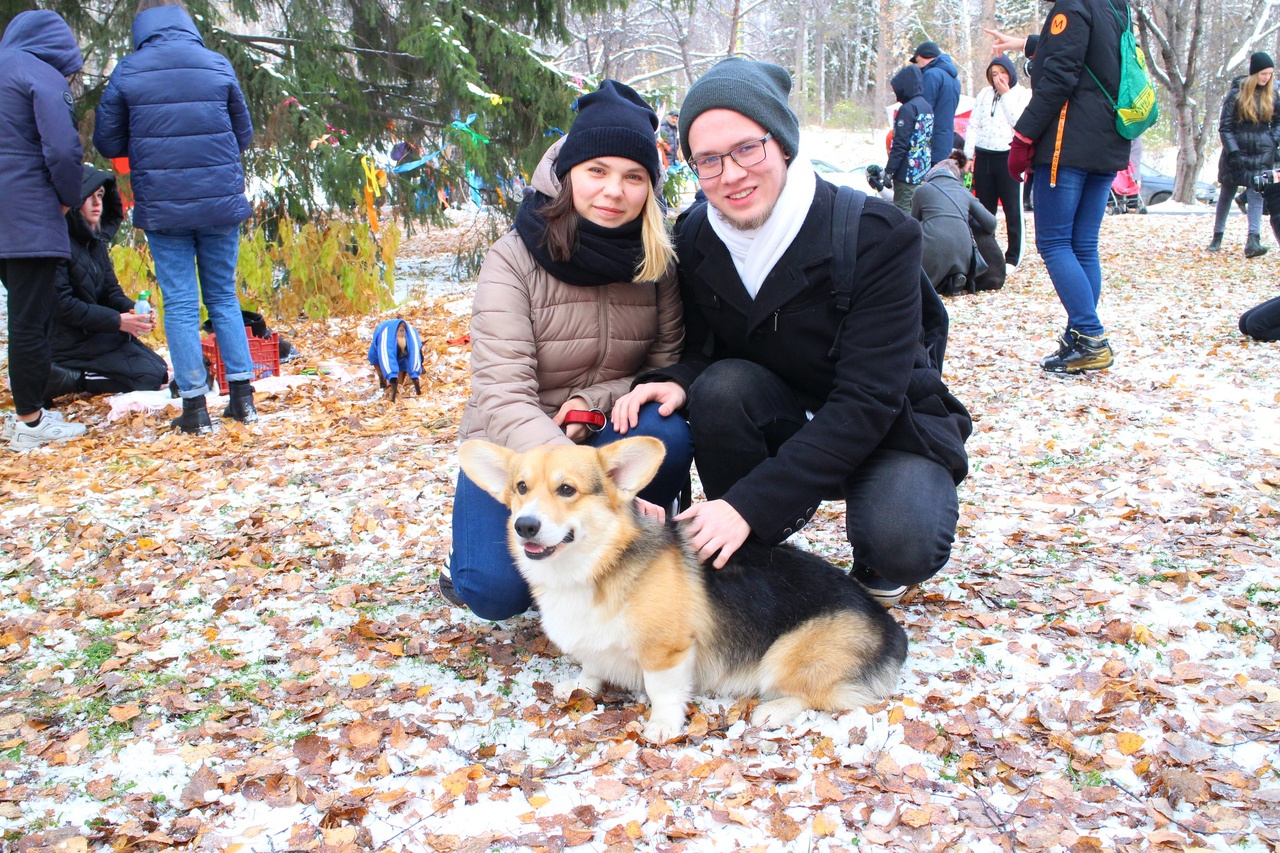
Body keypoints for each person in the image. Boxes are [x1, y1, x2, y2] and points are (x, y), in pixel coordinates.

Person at [618, 57, 972, 606]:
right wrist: (681, 378)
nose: (731, 174)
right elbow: (711, 350)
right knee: (720, 388)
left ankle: (848, 541)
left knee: (903, 540)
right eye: (707, 160)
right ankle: (757, 551)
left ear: (781, 143)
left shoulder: (876, 233)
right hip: (778, 412)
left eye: (746, 148)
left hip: (885, 427)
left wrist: (747, 504)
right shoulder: (694, 238)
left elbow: (868, 399)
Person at [448, 80, 693, 621]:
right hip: (517, 439)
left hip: (605, 433)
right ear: (568, 175)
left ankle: (640, 546)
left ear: (650, 189)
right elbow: (501, 391)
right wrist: (565, 452)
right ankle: (475, 552)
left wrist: (592, 402)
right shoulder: (513, 258)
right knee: (494, 594)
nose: (614, 191)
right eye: (597, 171)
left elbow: (664, 369)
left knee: (667, 428)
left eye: (633, 177)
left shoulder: (657, 262)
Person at [93, 0, 258, 434]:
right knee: (222, 296)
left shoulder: (129, 70)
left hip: (165, 205)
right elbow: (243, 134)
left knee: (182, 304)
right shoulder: (216, 63)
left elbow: (108, 142)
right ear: (186, 21)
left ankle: (195, 408)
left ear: (141, 25)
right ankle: (243, 397)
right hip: (220, 201)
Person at [988, 0, 1129, 375]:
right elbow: (1082, 52)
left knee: (1053, 242)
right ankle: (1079, 339)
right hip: (1108, 142)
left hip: (1069, 145)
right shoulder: (1114, 7)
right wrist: (1022, 42)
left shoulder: (1073, 5)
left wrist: (1022, 137)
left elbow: (1060, 77)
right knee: (1083, 245)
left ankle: (1091, 336)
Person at [0, 10, 89, 451]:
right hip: (28, 214)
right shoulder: (42, 75)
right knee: (30, 320)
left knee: (20, 313)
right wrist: (68, 196)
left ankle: (27, 412)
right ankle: (30, 422)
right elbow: (62, 149)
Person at [46, 165, 169, 404]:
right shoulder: (56, 243)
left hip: (91, 331)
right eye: (88, 197)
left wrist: (133, 310)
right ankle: (66, 376)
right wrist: (118, 321)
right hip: (63, 340)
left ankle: (75, 372)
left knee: (160, 369)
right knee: (149, 377)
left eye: (100, 195)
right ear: (72, 202)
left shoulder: (95, 242)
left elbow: (109, 291)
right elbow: (63, 305)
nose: (96, 203)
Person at [1206, 52, 1279, 258]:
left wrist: (1272, 139)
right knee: (1227, 192)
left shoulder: (1272, 94)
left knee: (1257, 192)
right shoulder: (1236, 94)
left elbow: (1279, 120)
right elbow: (1225, 127)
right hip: (1237, 149)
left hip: (1263, 151)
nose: (1266, 78)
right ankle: (1217, 235)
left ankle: (1253, 239)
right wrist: (1233, 151)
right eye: (1263, 73)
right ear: (1254, 73)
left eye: (1270, 74)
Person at [965, 55, 1031, 267]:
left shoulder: (1022, 94)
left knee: (1013, 208)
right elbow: (974, 124)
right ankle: (986, 255)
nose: (998, 77)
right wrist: (968, 155)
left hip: (1009, 155)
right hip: (984, 156)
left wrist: (1005, 95)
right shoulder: (984, 94)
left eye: (1002, 72)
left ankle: (1014, 257)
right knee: (984, 210)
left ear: (1010, 73)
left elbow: (1020, 122)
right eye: (994, 74)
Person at [911, 156, 999, 295]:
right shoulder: (965, 192)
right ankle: (954, 278)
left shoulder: (922, 190)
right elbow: (991, 224)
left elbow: (913, 225)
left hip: (932, 251)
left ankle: (938, 283)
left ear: (932, 173)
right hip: (964, 254)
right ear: (956, 177)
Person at [886, 64, 935, 212]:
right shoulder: (927, 107)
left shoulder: (907, 109)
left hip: (907, 175)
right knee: (919, 214)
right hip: (923, 173)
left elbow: (900, 144)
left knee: (903, 214)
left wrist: (889, 171)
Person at [911, 41, 963, 167]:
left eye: (917, 62)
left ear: (926, 57)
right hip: (945, 141)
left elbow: (924, 109)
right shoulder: (953, 78)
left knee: (927, 184)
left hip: (930, 143)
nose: (917, 67)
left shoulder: (931, 74)